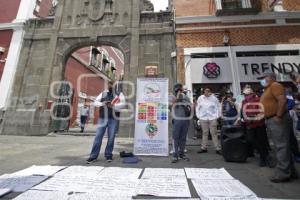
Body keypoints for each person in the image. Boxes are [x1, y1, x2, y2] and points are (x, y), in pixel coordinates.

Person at [259, 73, 298, 183]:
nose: (261, 80)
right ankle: (291, 171)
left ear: (270, 78)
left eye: (263, 78)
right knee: (285, 145)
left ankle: (282, 173)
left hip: (277, 119)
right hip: (272, 119)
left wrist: (279, 115)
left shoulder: (275, 85)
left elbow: (282, 100)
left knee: (281, 146)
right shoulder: (267, 89)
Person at [86, 81, 125, 163]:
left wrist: (113, 106)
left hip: (113, 118)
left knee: (111, 137)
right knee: (98, 137)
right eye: (109, 85)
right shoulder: (103, 93)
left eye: (112, 85)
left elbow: (123, 105)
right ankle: (93, 156)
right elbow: (95, 102)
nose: (110, 86)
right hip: (102, 118)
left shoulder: (119, 94)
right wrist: (102, 103)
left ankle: (108, 155)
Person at [240, 86, 272, 167]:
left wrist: (255, 118)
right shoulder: (244, 101)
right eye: (245, 94)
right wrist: (247, 119)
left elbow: (262, 111)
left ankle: (264, 157)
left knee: (262, 140)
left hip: (259, 124)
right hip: (250, 124)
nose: (246, 96)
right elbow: (243, 112)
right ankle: (263, 155)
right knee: (252, 140)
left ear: (251, 93)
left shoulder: (258, 100)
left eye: (247, 94)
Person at [169, 83, 192, 163]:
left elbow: (191, 105)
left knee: (183, 138)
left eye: (180, 89)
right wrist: (178, 97)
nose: (180, 90)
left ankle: (181, 154)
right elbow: (172, 105)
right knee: (176, 138)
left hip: (185, 120)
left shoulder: (185, 96)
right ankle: (175, 155)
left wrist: (191, 106)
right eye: (178, 89)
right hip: (177, 120)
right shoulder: (171, 97)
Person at [196, 88, 222, 155]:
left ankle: (217, 148)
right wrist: (198, 116)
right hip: (203, 118)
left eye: (207, 91)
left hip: (212, 118)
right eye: (205, 91)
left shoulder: (214, 98)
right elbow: (197, 107)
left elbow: (218, 107)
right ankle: (203, 148)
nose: (206, 92)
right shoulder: (200, 98)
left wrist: (217, 116)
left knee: (214, 133)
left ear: (210, 92)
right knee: (205, 133)